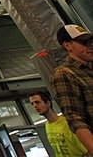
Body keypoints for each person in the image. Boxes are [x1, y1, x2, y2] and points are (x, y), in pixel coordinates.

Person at [50, 24, 93, 155]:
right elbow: (75, 118)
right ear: (67, 45)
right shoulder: (64, 73)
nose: (90, 46)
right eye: (83, 42)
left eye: (91, 41)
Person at [28, 91, 88, 157]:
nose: (35, 106)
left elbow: (86, 150)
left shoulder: (67, 122)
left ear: (48, 103)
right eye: (32, 104)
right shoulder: (47, 125)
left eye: (37, 102)